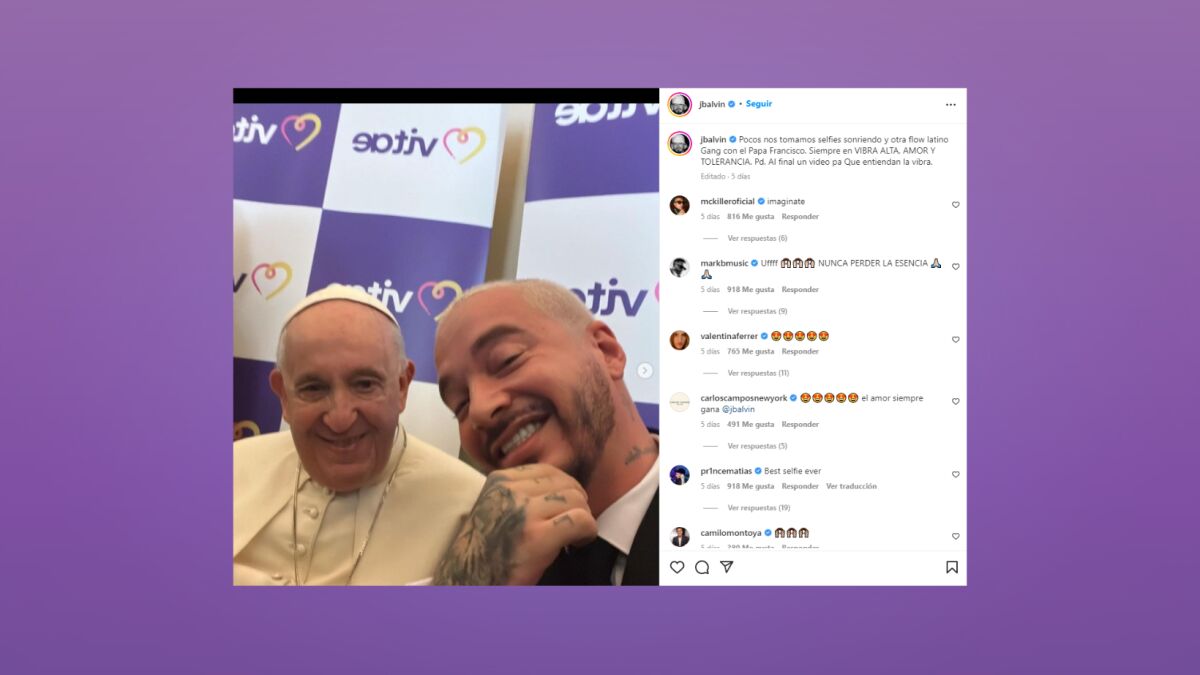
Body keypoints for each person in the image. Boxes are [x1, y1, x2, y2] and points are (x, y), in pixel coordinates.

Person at [233, 284, 484, 585]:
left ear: (402, 387)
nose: (340, 419)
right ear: (284, 395)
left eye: (364, 385)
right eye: (313, 388)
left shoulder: (474, 508)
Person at [432, 279, 660, 585]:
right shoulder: (474, 557)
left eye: (508, 360)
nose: (480, 410)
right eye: (461, 404)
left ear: (607, 352)